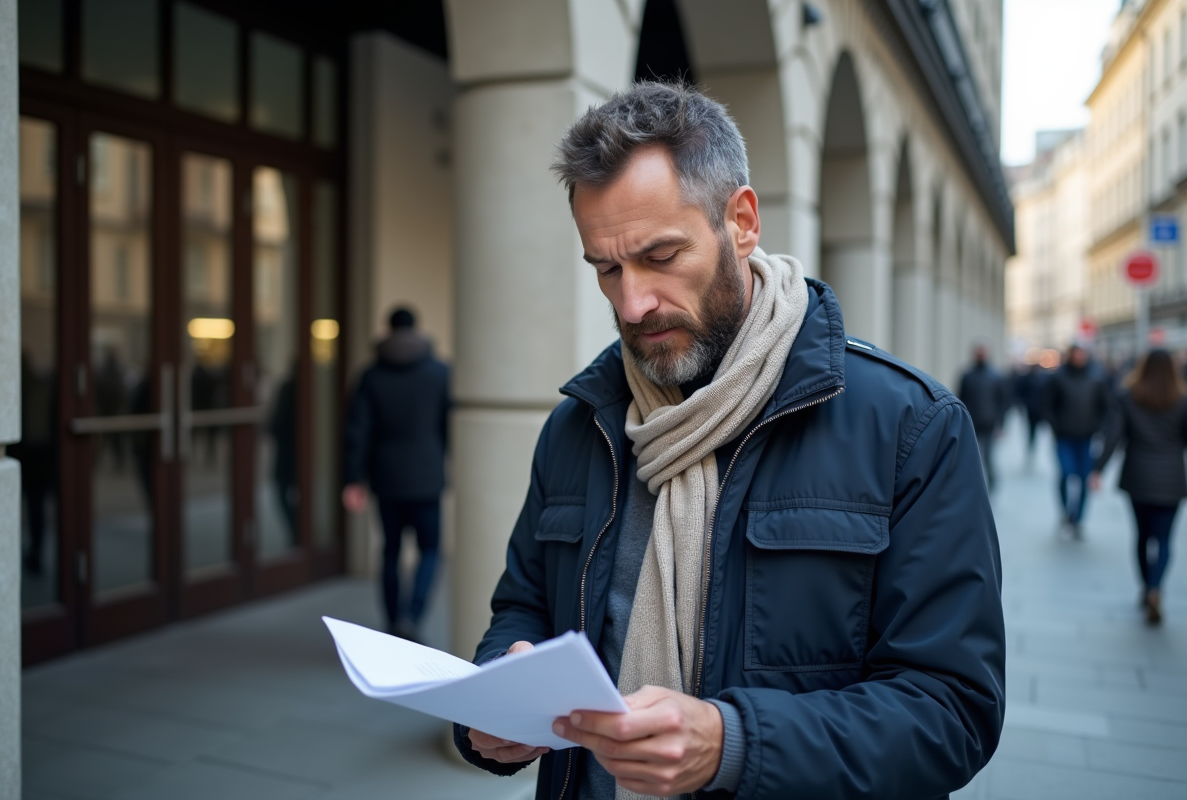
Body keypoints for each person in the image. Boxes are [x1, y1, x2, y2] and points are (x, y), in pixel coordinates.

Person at [454, 82, 1004, 800]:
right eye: (607, 269)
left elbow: (951, 711)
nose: (632, 302)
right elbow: (523, 604)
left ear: (741, 222)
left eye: (659, 256)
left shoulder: (910, 427)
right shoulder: (579, 424)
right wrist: (500, 697)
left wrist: (735, 743)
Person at [343, 307, 451, 641]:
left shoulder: (370, 375)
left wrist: (353, 478)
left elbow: (357, 431)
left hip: (386, 478)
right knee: (430, 549)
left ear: (387, 330)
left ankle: (393, 620)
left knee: (390, 550)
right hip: (427, 475)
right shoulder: (440, 372)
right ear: (416, 328)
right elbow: (449, 427)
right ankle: (413, 616)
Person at [1091, 349, 1187, 625]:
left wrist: (1097, 469)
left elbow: (1113, 435)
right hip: (1171, 479)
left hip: (1138, 477)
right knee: (1165, 539)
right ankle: (1156, 588)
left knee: (1143, 537)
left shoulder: (1129, 396)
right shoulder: (1181, 399)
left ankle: (1146, 586)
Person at [1043, 344, 1112, 539]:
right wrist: (1056, 426)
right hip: (1064, 437)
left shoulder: (1096, 378)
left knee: (1083, 478)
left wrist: (1098, 427)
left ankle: (1078, 518)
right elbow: (1047, 405)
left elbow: (1106, 407)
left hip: (1086, 438)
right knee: (1065, 474)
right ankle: (1065, 512)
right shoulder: (1058, 378)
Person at [959, 344, 1008, 490]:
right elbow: (960, 399)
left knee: (988, 456)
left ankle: (991, 484)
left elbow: (1003, 402)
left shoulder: (996, 376)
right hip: (971, 423)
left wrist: (1001, 424)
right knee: (972, 456)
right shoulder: (967, 376)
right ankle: (974, 485)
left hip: (990, 424)